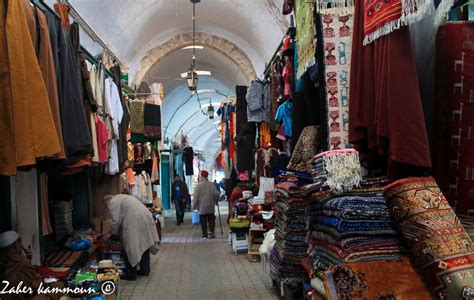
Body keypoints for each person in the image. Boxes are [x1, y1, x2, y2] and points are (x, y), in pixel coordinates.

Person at [103, 194, 160, 281]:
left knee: (129, 246)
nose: (107, 209)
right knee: (144, 242)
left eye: (106, 207)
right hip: (145, 215)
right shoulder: (121, 197)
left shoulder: (112, 202)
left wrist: (112, 233)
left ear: (106, 203)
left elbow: (116, 221)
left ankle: (131, 274)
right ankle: (145, 270)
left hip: (135, 219)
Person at [0, 231, 63, 299]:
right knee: (58, 287)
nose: (22, 245)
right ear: (16, 246)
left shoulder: (5, 261)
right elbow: (36, 284)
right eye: (20, 242)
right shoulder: (22, 262)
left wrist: (28, 259)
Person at [192, 170, 220, 239]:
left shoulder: (198, 186)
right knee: (211, 219)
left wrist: (194, 206)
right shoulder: (212, 184)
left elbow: (195, 197)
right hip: (210, 206)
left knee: (203, 221)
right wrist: (216, 200)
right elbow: (216, 194)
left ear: (201, 176)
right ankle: (211, 232)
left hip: (201, 207)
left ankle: (204, 234)